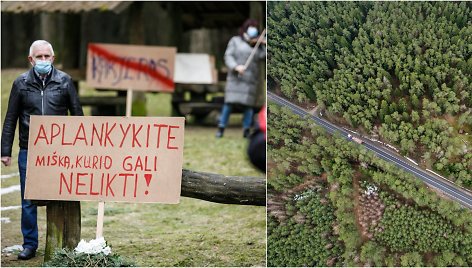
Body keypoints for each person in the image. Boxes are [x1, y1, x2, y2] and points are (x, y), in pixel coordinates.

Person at [1, 40, 83, 260]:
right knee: (28, 199)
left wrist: (83, 148)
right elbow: (10, 118)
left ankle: (64, 240)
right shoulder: (21, 84)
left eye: (47, 56)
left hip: (60, 152)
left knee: (62, 194)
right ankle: (29, 244)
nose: (44, 60)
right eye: (39, 57)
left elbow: (77, 116)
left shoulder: (65, 81)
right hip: (30, 150)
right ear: (31, 59)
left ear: (53, 58)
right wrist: (5, 150)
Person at [216, 18, 266, 138]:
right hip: (236, 78)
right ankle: (221, 127)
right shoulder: (235, 41)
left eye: (255, 28)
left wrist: (263, 44)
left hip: (250, 80)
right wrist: (236, 67)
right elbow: (228, 56)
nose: (253, 30)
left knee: (248, 106)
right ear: (245, 28)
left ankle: (246, 129)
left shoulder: (256, 45)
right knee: (229, 104)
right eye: (251, 27)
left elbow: (262, 56)